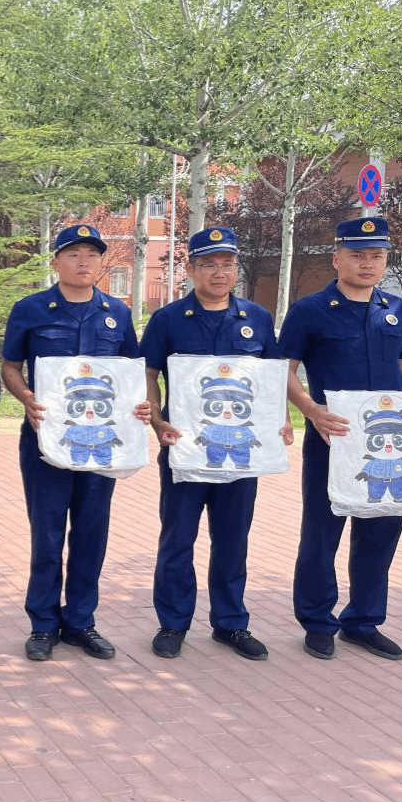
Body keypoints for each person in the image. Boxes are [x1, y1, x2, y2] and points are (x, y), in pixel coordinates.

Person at [279, 215, 402, 661]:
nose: (368, 263)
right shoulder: (309, 311)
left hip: (390, 443)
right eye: (358, 255)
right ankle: (317, 622)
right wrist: (311, 411)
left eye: (376, 256)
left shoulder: (397, 309)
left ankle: (363, 622)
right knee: (321, 534)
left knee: (380, 532)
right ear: (336, 258)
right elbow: (283, 371)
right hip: (332, 440)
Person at [141, 227, 292, 661]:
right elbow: (148, 374)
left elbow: (272, 376)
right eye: (209, 263)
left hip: (239, 455)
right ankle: (173, 623)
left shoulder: (256, 318)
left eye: (227, 263)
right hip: (185, 449)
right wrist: (157, 420)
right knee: (178, 540)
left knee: (232, 541)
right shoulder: (168, 319)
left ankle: (231, 624)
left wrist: (280, 418)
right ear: (191, 269)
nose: (219, 271)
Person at [1, 224, 149, 662]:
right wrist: (26, 397)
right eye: (73, 254)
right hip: (46, 441)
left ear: (101, 262)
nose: (84, 261)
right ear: (56, 262)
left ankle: (81, 622)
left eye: (92, 254)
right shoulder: (30, 309)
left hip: (101, 444)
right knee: (47, 536)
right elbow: (10, 366)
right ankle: (44, 625)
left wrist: (139, 406)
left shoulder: (116, 313)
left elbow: (129, 373)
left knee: (91, 533)